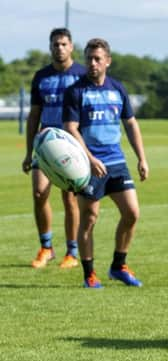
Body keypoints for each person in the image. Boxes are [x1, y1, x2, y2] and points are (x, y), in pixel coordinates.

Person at [62, 38, 149, 289]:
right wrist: (90, 159)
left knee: (132, 213)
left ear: (107, 61)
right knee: (89, 218)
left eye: (97, 58)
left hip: (117, 162)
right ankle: (89, 273)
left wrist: (141, 158)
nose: (92, 63)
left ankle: (118, 266)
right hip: (87, 164)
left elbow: (131, 124)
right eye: (88, 57)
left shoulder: (117, 89)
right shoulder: (76, 91)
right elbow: (71, 129)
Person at [22, 28, 86, 269]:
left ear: (71, 47)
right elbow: (34, 115)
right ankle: (46, 248)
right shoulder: (41, 77)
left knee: (69, 198)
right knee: (39, 194)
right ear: (50, 47)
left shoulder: (81, 75)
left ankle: (72, 251)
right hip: (45, 145)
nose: (59, 48)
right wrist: (29, 152)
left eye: (63, 44)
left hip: (71, 146)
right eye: (55, 44)